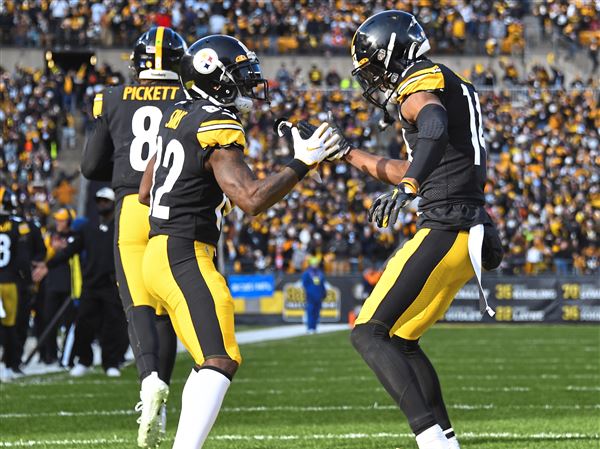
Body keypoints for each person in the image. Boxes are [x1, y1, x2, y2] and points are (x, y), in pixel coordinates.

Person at [138, 34, 340, 449]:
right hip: (184, 254)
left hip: (157, 252)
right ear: (216, 79)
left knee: (208, 361)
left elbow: (146, 192)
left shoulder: (177, 113)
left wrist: (207, 198)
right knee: (220, 359)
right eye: (241, 74)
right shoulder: (218, 122)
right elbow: (250, 199)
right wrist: (303, 162)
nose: (249, 83)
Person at [322, 10, 503, 449]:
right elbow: (418, 158)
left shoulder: (422, 83)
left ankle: (430, 440)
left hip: (447, 226)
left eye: (373, 66)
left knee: (368, 332)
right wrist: (344, 152)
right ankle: (446, 442)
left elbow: (434, 127)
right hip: (468, 228)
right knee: (402, 339)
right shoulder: (448, 81)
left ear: (394, 54)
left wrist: (409, 186)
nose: (372, 78)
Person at [81, 26, 186, 448]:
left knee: (138, 306)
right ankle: (162, 403)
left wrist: (126, 173)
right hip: (176, 207)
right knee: (167, 312)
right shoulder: (189, 99)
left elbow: (89, 167)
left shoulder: (112, 98)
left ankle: (149, 384)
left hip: (131, 207)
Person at [33, 188, 128, 377]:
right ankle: (84, 359)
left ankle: (111, 363)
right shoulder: (87, 228)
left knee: (112, 325)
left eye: (105, 201)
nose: (102, 204)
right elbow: (70, 251)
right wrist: (48, 265)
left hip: (111, 284)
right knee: (84, 324)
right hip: (91, 284)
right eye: (99, 201)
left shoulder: (120, 227)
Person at [0, 187, 30, 381]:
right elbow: (23, 259)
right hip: (10, 282)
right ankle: (9, 364)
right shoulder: (18, 226)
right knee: (10, 326)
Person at [301, 256, 326, 334]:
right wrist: (308, 293)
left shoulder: (320, 273)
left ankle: (314, 327)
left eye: (316, 264)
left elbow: (322, 284)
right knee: (310, 312)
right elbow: (304, 284)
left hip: (318, 296)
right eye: (314, 263)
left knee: (316, 313)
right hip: (311, 296)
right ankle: (310, 328)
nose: (315, 265)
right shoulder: (307, 273)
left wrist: (324, 293)